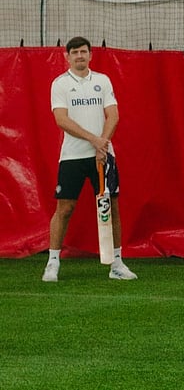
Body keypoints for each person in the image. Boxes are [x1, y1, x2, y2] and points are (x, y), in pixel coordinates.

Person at [43, 36, 137, 282]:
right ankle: (52, 262)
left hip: (103, 156)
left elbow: (113, 115)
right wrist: (93, 140)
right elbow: (61, 119)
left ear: (90, 54)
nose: (79, 56)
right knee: (64, 208)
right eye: (74, 53)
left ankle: (115, 263)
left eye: (83, 52)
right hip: (72, 156)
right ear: (67, 57)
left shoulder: (102, 81)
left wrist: (102, 144)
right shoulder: (60, 84)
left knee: (110, 207)